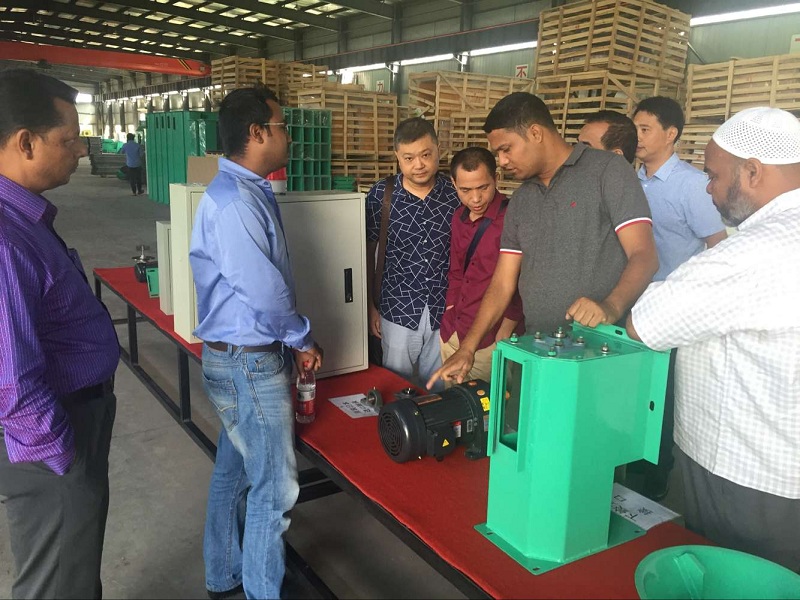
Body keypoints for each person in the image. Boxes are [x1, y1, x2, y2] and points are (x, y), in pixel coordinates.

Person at [627, 106, 800, 572]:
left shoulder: (753, 253)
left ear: (752, 172)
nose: (708, 188)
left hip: (749, 474)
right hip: (784, 470)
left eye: (713, 175)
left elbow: (648, 322)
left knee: (738, 576)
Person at [189, 84, 323, 600]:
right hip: (250, 365)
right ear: (257, 132)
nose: (290, 137)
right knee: (275, 490)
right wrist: (301, 338)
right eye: (283, 126)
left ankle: (223, 573)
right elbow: (264, 292)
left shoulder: (239, 192)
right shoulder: (236, 203)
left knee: (234, 473)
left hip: (232, 358)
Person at [429, 92, 658, 388]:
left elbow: (644, 255)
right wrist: (468, 348)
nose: (502, 161)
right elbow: (502, 283)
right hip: (537, 351)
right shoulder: (521, 199)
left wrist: (610, 306)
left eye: (506, 149)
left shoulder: (607, 171)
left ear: (535, 133)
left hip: (598, 353)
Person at [0, 69, 120, 599]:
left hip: (76, 416)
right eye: (68, 140)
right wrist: (62, 459)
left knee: (74, 567)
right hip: (52, 440)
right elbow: (10, 378)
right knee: (57, 581)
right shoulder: (5, 240)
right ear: (25, 142)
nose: (79, 151)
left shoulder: (24, 221)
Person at [629, 96, 728, 500]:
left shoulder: (691, 185)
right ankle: (629, 464)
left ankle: (656, 478)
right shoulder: (630, 180)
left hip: (670, 311)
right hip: (630, 304)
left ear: (671, 134)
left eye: (645, 129)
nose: (637, 137)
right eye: (634, 128)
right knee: (633, 392)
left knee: (663, 397)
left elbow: (718, 245)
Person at [366, 117, 460, 389]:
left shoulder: (454, 194)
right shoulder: (382, 195)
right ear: (397, 156)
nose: (418, 165)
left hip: (444, 310)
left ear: (438, 150)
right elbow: (366, 255)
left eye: (425, 155)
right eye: (408, 158)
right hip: (397, 309)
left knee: (438, 388)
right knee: (395, 387)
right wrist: (370, 307)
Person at [440, 147, 524, 385]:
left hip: (492, 339)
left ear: (495, 179)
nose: (475, 199)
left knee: (487, 404)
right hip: (453, 331)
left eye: (483, 188)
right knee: (453, 402)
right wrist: (450, 308)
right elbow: (456, 272)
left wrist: (507, 327)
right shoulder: (459, 217)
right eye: (465, 190)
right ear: (454, 184)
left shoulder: (513, 219)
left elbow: (524, 281)